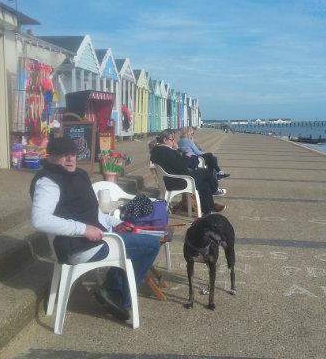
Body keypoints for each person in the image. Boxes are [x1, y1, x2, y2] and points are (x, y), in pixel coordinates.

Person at [30, 137, 160, 321]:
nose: (70, 159)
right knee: (151, 245)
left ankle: (112, 290)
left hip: (98, 238)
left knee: (139, 237)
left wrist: (115, 224)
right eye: (63, 156)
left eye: (73, 154)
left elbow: (94, 212)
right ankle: (117, 296)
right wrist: (83, 229)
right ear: (51, 157)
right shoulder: (48, 182)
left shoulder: (80, 175)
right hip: (77, 247)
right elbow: (39, 220)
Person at [150, 129, 226, 215]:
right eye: (172, 140)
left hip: (169, 179)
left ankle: (208, 210)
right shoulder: (166, 151)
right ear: (165, 140)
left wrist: (178, 153)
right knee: (205, 172)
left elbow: (175, 164)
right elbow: (182, 167)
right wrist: (180, 153)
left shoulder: (156, 151)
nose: (174, 142)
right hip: (178, 181)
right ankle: (215, 189)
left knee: (204, 184)